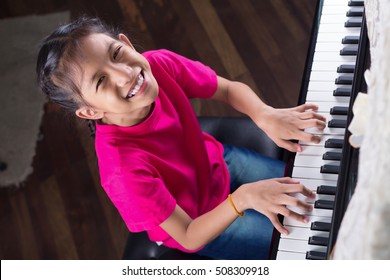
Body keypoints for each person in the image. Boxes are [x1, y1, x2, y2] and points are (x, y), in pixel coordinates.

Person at [36, 17, 326, 260]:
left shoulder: (158, 65)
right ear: (90, 111)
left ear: (126, 43)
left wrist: (265, 114)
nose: (125, 74)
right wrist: (245, 198)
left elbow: (226, 90)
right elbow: (188, 236)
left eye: (116, 54)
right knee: (311, 240)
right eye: (101, 81)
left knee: (319, 192)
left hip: (216, 163)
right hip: (200, 222)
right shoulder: (121, 171)